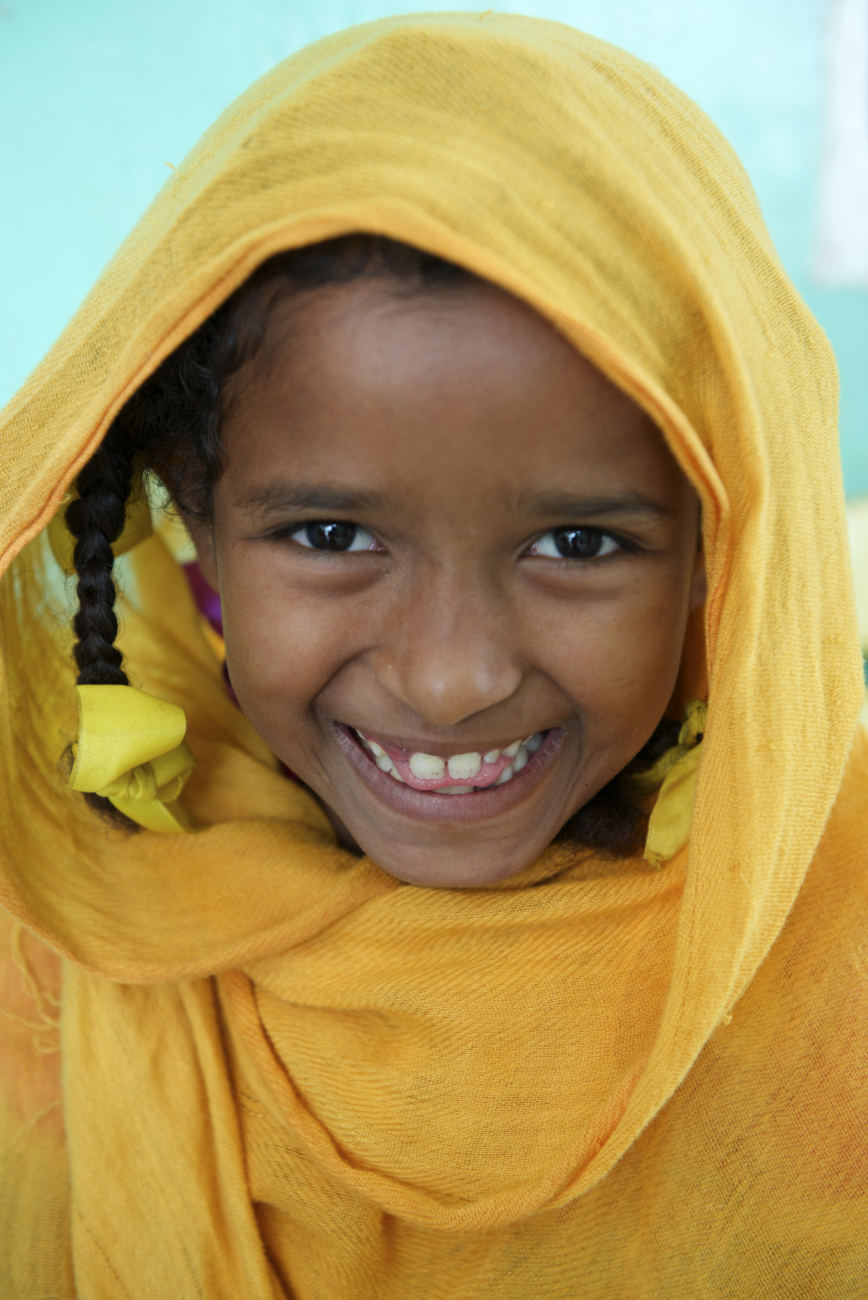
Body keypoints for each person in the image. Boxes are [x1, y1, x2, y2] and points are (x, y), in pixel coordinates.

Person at [0, 12, 865, 1297]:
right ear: (191, 518)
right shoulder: (59, 930)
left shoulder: (833, 960)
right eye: (334, 532)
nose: (451, 679)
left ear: (719, 547)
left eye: (576, 543)